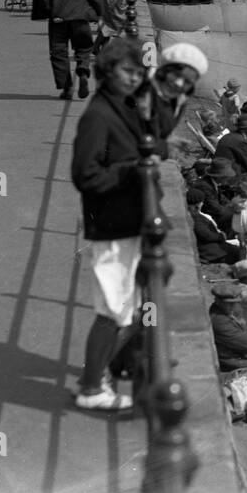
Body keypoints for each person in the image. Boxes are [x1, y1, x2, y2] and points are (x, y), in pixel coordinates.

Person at [70, 39, 150, 412]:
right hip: (111, 223)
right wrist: (130, 169)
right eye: (127, 72)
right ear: (108, 70)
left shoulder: (119, 105)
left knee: (125, 305)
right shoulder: (98, 115)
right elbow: (85, 175)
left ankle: (103, 371)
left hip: (124, 220)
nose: (134, 78)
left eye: (139, 73)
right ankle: (91, 387)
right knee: (112, 308)